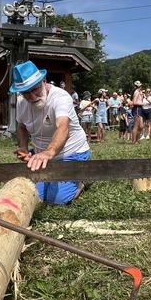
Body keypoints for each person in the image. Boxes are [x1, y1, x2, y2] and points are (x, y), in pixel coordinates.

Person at [12, 60, 91, 204]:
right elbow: (22, 126)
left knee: (57, 200)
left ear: (44, 80)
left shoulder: (60, 97)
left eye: (35, 90)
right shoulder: (21, 102)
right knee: (36, 196)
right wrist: (23, 147)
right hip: (41, 156)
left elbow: (63, 127)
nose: (32, 97)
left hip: (71, 153)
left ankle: (84, 181)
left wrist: (49, 152)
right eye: (26, 93)